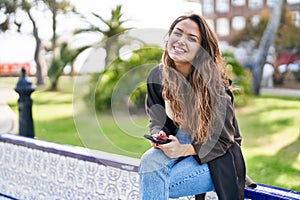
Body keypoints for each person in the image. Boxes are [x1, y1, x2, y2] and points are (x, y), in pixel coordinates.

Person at [139, 14, 246, 200]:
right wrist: (160, 134)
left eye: (191, 38)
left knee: (157, 181)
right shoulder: (158, 76)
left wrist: (185, 149)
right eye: (177, 33)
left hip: (217, 157)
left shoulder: (214, 86)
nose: (181, 41)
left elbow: (223, 141)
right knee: (149, 162)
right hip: (177, 142)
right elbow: (157, 119)